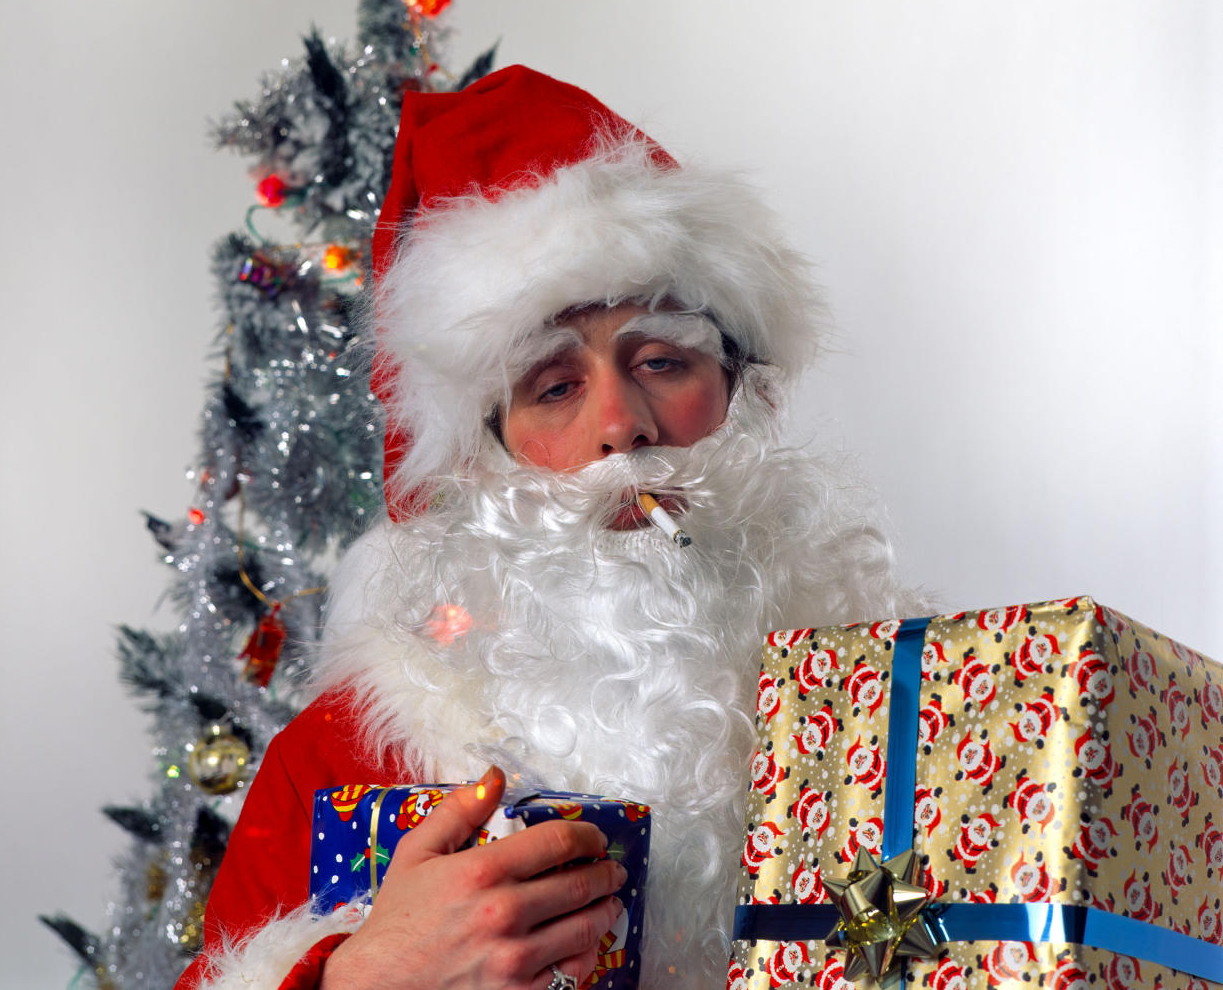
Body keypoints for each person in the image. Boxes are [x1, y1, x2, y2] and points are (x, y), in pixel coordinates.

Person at [176, 65, 930, 990]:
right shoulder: (342, 755)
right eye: (555, 385)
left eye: (662, 360)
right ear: (482, 450)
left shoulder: (915, 712)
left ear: (738, 387)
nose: (622, 426)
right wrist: (363, 979)